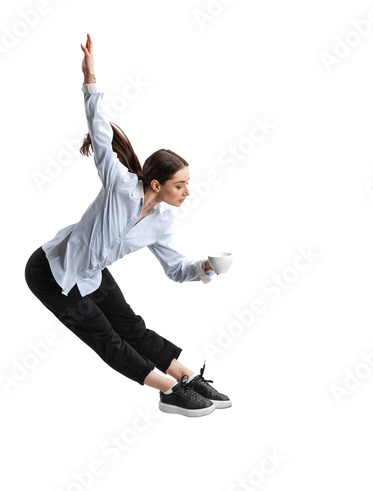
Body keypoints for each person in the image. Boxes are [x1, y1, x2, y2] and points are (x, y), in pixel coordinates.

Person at [24, 34, 231, 417]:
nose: (187, 192)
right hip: (50, 272)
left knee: (131, 328)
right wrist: (90, 78)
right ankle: (170, 390)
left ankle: (185, 376)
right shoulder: (119, 185)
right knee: (105, 338)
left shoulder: (161, 222)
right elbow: (100, 131)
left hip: (91, 274)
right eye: (180, 185)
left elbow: (175, 270)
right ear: (157, 184)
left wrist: (204, 268)